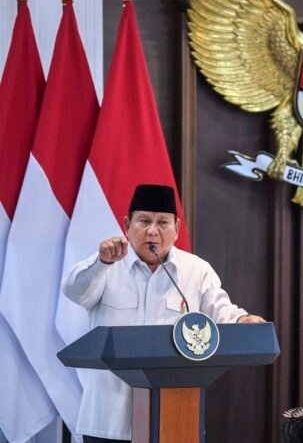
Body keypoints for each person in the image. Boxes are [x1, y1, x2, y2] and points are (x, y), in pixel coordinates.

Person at [62, 184, 265, 443]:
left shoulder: (196, 271)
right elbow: (73, 291)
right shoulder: (107, 264)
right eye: (144, 221)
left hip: (175, 419)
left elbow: (221, 311)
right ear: (127, 224)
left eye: (162, 223)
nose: (152, 231)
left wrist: (241, 319)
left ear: (177, 229)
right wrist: (101, 262)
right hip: (108, 421)